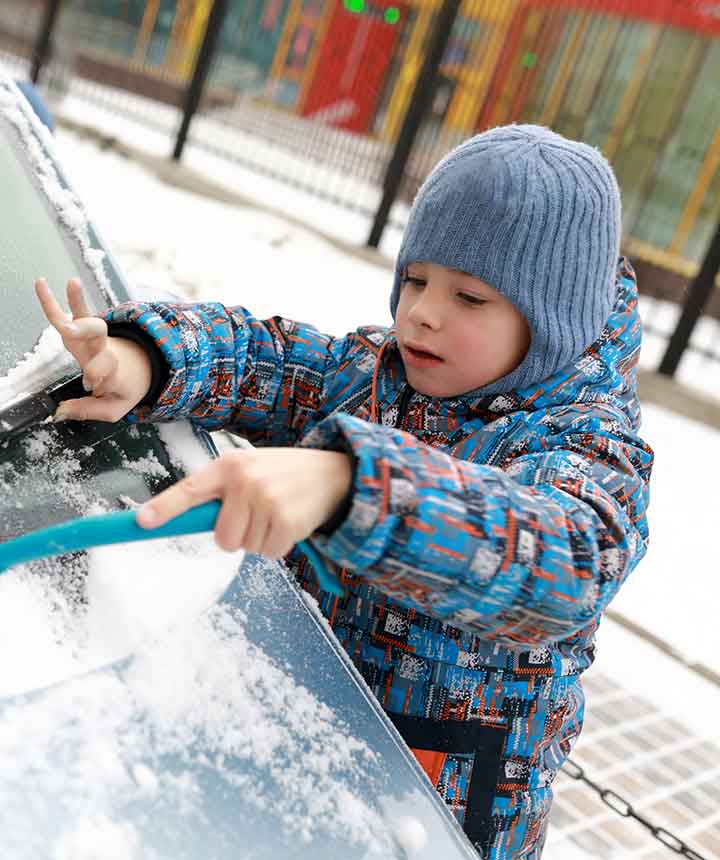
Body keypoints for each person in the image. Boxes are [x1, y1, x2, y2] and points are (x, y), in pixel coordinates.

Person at [34, 124, 653, 860]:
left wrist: (351, 483)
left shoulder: (587, 442)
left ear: (557, 322)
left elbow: (563, 560)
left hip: (438, 811)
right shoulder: (372, 375)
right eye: (417, 279)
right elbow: (260, 354)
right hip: (304, 748)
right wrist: (146, 360)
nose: (423, 311)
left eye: (472, 296)